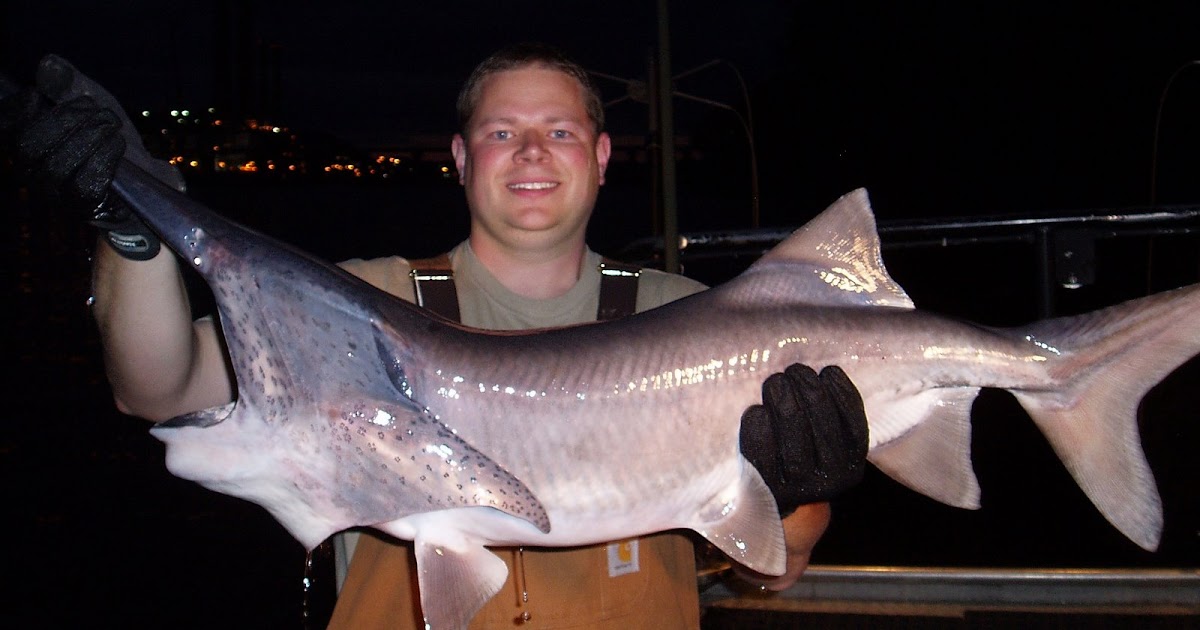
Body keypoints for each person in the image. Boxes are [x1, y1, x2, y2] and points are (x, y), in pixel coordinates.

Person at [1, 43, 868, 629]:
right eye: (502, 133)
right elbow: (154, 385)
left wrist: (798, 494)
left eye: (559, 131)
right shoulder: (362, 303)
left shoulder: (701, 318)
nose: (531, 151)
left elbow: (777, 566)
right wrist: (135, 235)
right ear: (459, 160)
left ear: (602, 158)